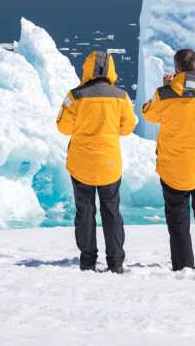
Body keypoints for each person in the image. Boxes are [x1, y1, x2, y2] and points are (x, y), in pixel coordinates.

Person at [141, 48, 195, 273]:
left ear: (175, 69)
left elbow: (147, 114)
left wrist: (163, 87)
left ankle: (183, 267)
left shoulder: (163, 94)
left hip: (173, 167)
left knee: (177, 218)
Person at [56, 51, 135, 273]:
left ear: (88, 68)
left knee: (85, 212)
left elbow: (63, 127)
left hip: (81, 164)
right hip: (109, 164)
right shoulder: (122, 96)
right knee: (112, 212)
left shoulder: (75, 96)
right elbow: (127, 128)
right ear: (110, 69)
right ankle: (116, 263)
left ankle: (88, 261)